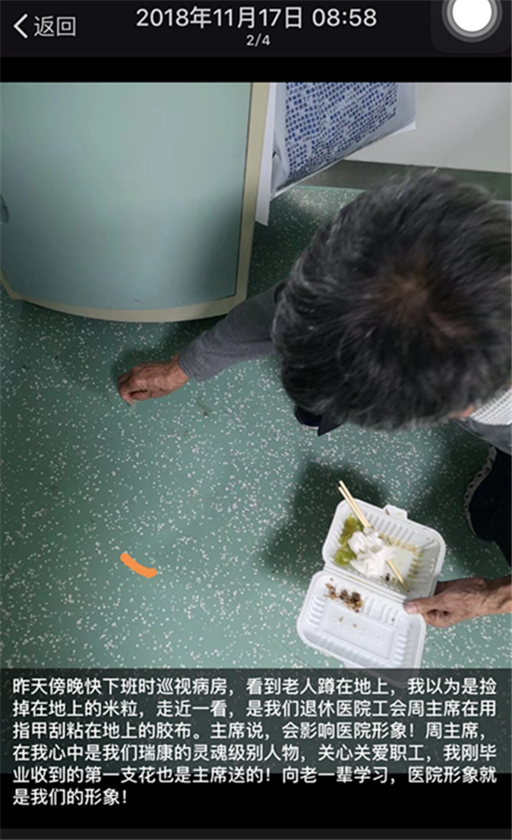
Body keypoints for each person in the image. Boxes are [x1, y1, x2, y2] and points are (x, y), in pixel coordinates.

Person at [117, 171, 511, 628]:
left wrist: (491, 597)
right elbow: (284, 312)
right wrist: (186, 365)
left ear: (460, 408)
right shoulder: (410, 250)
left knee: (497, 524)